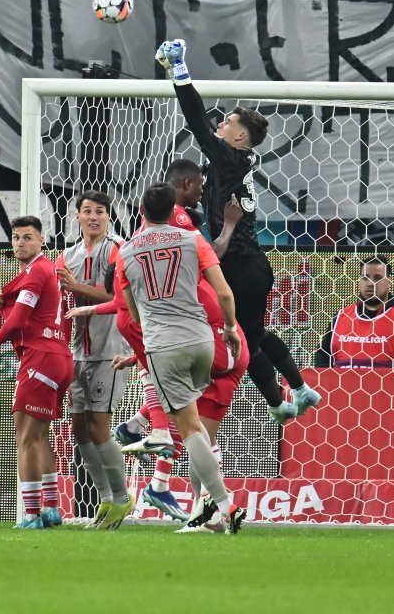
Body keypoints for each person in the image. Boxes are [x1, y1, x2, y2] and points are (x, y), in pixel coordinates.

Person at [154, 38, 322, 424]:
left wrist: (179, 71)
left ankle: (281, 401)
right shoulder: (237, 160)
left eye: (228, 122)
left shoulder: (229, 159)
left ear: (240, 137)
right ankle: (297, 389)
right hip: (252, 264)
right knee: (255, 334)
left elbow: (195, 120)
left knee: (241, 339)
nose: (221, 124)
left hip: (240, 265)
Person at [113, 182, 246, 534]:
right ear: (175, 210)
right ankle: (203, 505)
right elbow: (223, 292)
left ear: (141, 210)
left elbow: (134, 314)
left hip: (164, 345)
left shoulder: (124, 254)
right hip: (203, 340)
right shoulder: (193, 240)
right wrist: (231, 329)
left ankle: (224, 505)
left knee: (188, 431)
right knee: (198, 427)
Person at [0, 216, 77, 529]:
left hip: (41, 358)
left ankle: (32, 515)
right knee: (38, 437)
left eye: (27, 237)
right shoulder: (48, 271)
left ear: (41, 241)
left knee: (23, 437)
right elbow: (36, 312)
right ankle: (51, 509)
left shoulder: (36, 270)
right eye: (16, 238)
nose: (20, 243)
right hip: (61, 357)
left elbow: (21, 319)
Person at [54, 191, 135, 529]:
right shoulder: (66, 256)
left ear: (108, 217)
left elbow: (119, 298)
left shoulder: (117, 249)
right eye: (86, 211)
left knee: (99, 425)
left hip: (110, 351)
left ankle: (122, 497)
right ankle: (105, 500)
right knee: (79, 431)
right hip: (77, 352)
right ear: (76, 217)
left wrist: (77, 287)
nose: (92, 217)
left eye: (99, 212)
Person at [315, 256, 394, 368]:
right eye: (365, 277)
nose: (370, 283)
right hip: (341, 385)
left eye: (377, 278)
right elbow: (322, 356)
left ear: (389, 282)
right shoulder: (341, 316)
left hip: (387, 385)